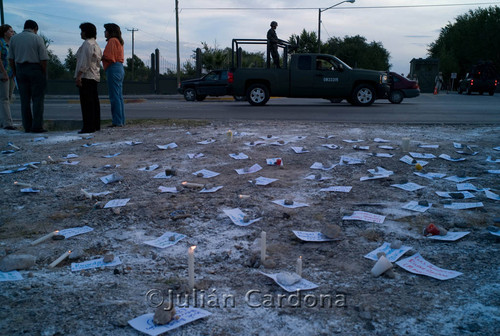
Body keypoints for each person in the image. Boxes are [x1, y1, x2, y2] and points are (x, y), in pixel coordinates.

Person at [8, 19, 49, 133]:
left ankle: (27, 125)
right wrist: (43, 72)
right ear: (35, 28)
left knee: (24, 100)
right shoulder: (37, 38)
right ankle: (37, 126)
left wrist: (15, 71)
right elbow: (44, 59)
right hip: (35, 69)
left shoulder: (14, 39)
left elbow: (11, 58)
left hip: (20, 69)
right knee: (37, 99)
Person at [75, 22, 102, 134]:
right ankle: (95, 125)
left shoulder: (86, 44)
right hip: (94, 76)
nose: (81, 33)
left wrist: (79, 76)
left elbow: (84, 62)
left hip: (86, 76)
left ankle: (88, 127)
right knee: (94, 102)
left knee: (86, 104)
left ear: (86, 32)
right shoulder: (96, 45)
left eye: (82, 31)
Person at [102, 23, 124, 127]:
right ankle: (120, 120)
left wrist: (99, 56)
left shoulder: (112, 41)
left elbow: (110, 57)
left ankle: (116, 121)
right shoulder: (118, 41)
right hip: (119, 68)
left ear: (110, 32)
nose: (104, 32)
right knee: (118, 96)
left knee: (114, 96)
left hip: (113, 68)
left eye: (106, 30)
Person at [0, 24, 16, 130]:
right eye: (10, 31)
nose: (12, 32)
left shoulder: (12, 43)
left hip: (11, 73)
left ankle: (3, 121)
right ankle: (8, 123)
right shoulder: (1, 43)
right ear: (5, 32)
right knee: (4, 98)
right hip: (3, 73)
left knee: (9, 97)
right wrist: (4, 72)